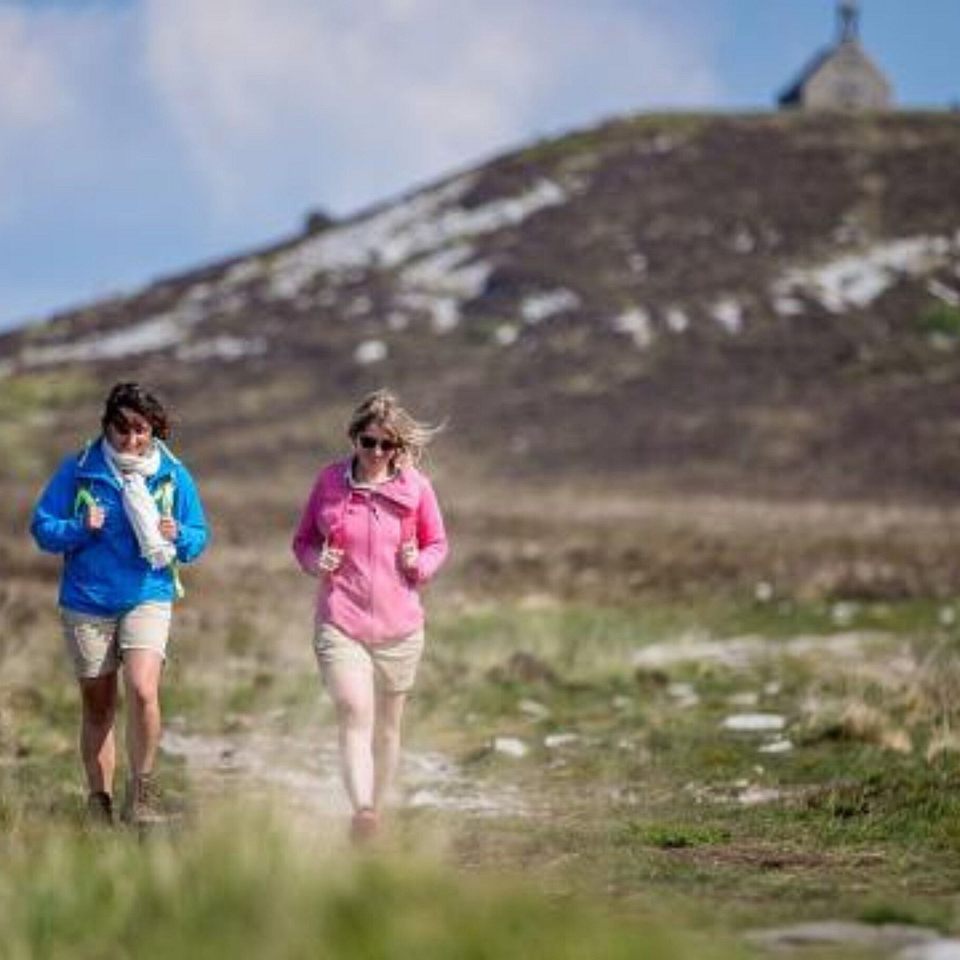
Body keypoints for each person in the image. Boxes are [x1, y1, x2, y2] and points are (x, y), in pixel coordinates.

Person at [30, 382, 208, 826]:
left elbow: (198, 536)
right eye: (122, 428)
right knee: (99, 706)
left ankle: (142, 792)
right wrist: (79, 527)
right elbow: (42, 528)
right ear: (106, 426)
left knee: (144, 689)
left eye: (141, 430)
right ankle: (99, 803)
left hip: (148, 593)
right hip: (87, 600)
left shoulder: (173, 474)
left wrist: (178, 536)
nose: (131, 439)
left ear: (154, 431)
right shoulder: (80, 469)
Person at [292, 390, 448, 843]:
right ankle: (361, 809)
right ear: (354, 439)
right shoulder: (329, 482)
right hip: (341, 620)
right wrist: (315, 561)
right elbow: (302, 541)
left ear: (399, 447)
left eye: (387, 444)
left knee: (387, 729)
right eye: (368, 442)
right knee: (355, 711)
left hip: (401, 628)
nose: (377, 452)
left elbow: (438, 543)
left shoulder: (416, 488)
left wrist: (420, 565)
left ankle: (373, 812)